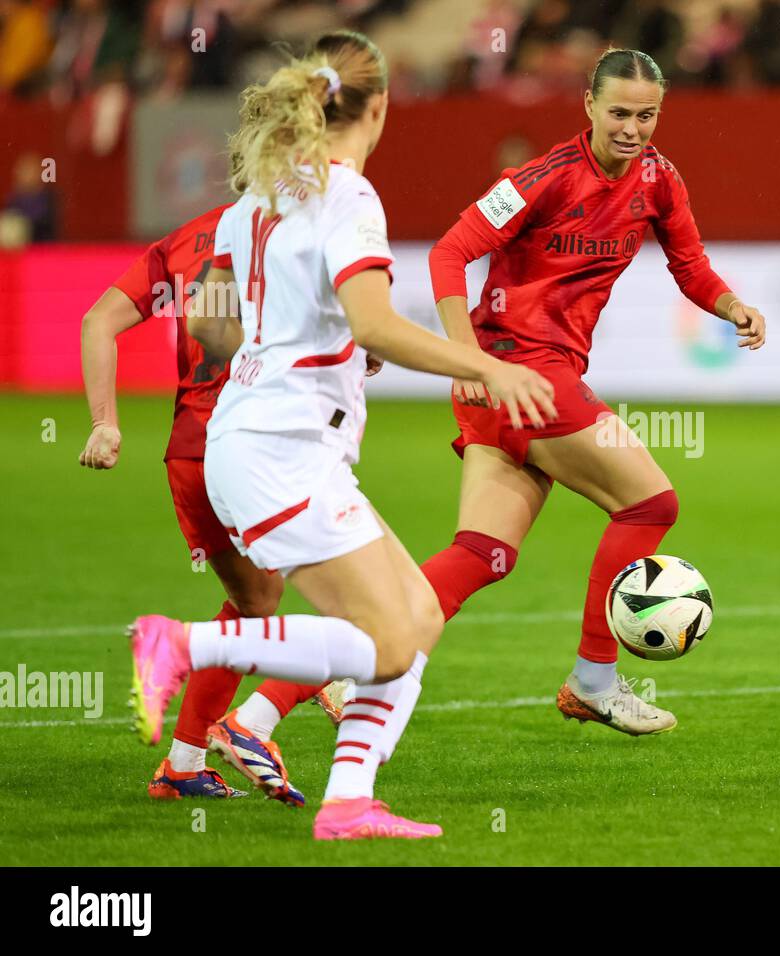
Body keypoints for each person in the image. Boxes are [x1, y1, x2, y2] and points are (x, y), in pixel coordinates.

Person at [127, 30, 556, 840]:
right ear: (382, 106)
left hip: (262, 438)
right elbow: (376, 322)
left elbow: (210, 332)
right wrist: (486, 367)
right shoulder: (349, 196)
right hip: (281, 450)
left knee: (419, 615)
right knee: (388, 645)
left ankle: (348, 804)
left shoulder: (254, 198)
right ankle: (182, 644)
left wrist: (303, 342)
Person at [420, 48, 766, 736]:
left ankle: (354, 664)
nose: (634, 128)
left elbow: (690, 265)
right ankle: (595, 679)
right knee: (650, 502)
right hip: (519, 372)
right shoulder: (541, 176)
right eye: (619, 113)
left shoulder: (660, 181)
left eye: (647, 114)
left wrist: (730, 307)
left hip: (529, 379)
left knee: (484, 554)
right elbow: (448, 253)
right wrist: (465, 359)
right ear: (588, 105)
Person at [80, 198, 344, 806]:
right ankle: (300, 684)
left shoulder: (184, 240)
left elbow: (98, 320)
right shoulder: (295, 228)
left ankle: (184, 764)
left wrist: (105, 423)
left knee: (256, 599)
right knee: (368, 596)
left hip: (192, 452)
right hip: (258, 443)